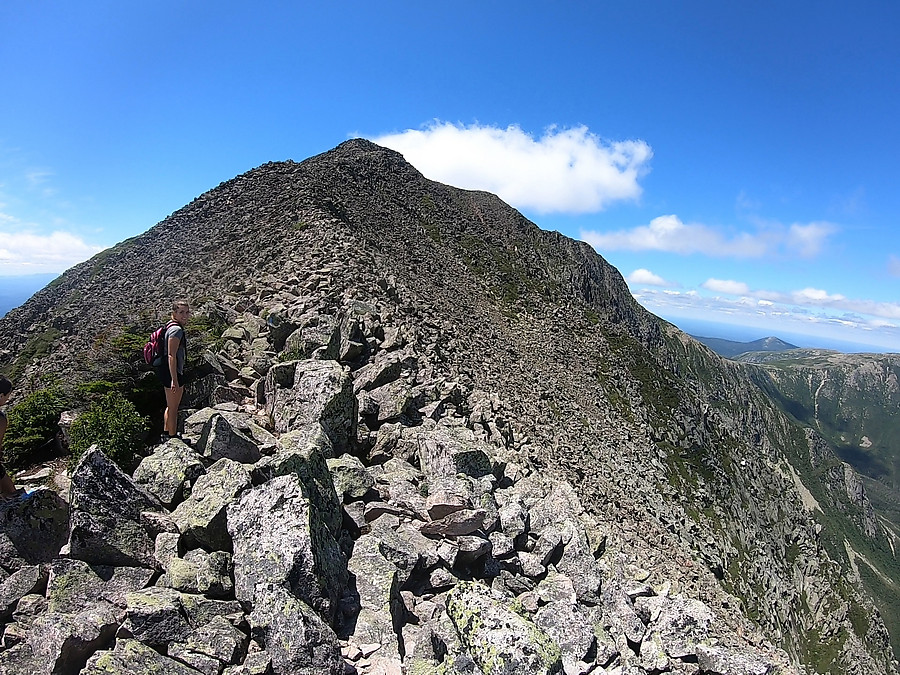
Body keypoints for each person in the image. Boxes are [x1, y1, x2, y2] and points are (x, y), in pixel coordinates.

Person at [154, 299, 190, 442]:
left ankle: (166, 434)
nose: (185, 316)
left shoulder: (169, 326)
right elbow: (171, 355)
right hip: (172, 372)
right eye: (181, 312)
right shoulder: (176, 330)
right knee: (174, 408)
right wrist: (174, 379)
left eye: (187, 312)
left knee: (170, 406)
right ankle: (173, 438)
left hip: (166, 371)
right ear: (174, 313)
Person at [0, 376, 18, 497]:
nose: (8, 399)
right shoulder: (0, 419)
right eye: (8, 395)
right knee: (12, 494)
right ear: (1, 395)